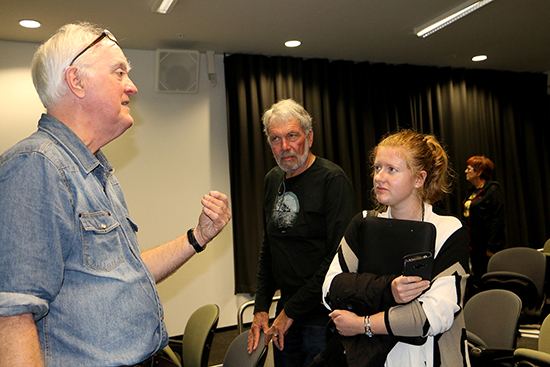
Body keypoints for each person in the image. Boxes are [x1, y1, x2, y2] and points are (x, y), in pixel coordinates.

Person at [0, 22, 231, 367]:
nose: (132, 87)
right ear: (76, 81)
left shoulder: (96, 170)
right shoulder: (37, 165)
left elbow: (126, 271)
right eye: (119, 72)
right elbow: (12, 315)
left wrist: (197, 237)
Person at [320, 129, 470, 367]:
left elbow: (430, 317)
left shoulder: (448, 230)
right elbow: (330, 289)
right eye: (377, 168)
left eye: (392, 169)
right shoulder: (363, 223)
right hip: (370, 358)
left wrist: (362, 324)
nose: (379, 177)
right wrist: (388, 289)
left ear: (419, 179)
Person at [247, 99, 356, 367]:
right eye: (276, 138)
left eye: (292, 136)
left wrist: (290, 312)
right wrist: (262, 306)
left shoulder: (332, 181)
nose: (284, 147)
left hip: (323, 316)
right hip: (287, 312)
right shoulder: (273, 179)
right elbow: (269, 247)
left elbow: (337, 260)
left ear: (309, 137)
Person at [462, 155, 506, 281]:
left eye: (469, 168)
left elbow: (498, 219)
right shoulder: (471, 192)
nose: (466, 171)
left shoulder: (492, 190)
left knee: (490, 279)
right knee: (478, 279)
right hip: (474, 246)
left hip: (487, 247)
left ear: (479, 172)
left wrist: (492, 246)